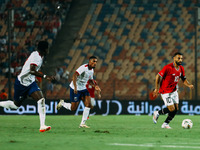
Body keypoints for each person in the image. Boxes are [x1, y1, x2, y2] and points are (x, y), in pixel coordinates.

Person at [0, 41, 55, 132]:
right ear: (44, 49)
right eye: (47, 48)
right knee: (15, 105)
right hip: (21, 83)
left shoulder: (38, 55)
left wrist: (34, 78)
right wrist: (45, 76)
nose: (48, 50)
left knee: (41, 100)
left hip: (31, 83)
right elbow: (32, 70)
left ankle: (42, 125)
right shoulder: (36, 57)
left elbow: (32, 71)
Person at [153, 52, 194, 129]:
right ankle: (157, 112)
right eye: (178, 58)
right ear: (174, 58)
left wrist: (189, 85)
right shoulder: (168, 68)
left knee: (176, 109)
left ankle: (165, 124)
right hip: (165, 91)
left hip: (174, 90)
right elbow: (158, 76)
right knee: (171, 109)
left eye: (181, 58)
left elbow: (183, 79)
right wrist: (156, 88)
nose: (180, 60)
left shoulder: (181, 68)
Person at [56, 56, 100, 128]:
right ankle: (62, 103)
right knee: (73, 108)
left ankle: (82, 123)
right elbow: (74, 75)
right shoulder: (83, 67)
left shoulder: (91, 70)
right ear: (89, 61)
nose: (95, 63)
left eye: (96, 62)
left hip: (83, 88)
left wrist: (95, 86)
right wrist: (75, 87)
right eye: (93, 61)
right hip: (75, 88)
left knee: (88, 104)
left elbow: (90, 80)